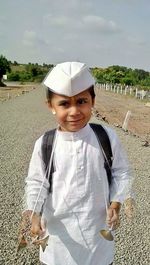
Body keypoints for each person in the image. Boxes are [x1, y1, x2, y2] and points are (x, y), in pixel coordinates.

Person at [20, 61, 132, 265]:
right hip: (57, 241)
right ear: (50, 106)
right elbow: (37, 182)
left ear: (93, 101)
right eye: (64, 103)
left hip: (97, 239)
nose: (74, 111)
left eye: (81, 101)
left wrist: (115, 204)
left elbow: (122, 173)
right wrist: (34, 214)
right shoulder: (45, 143)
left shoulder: (106, 137)